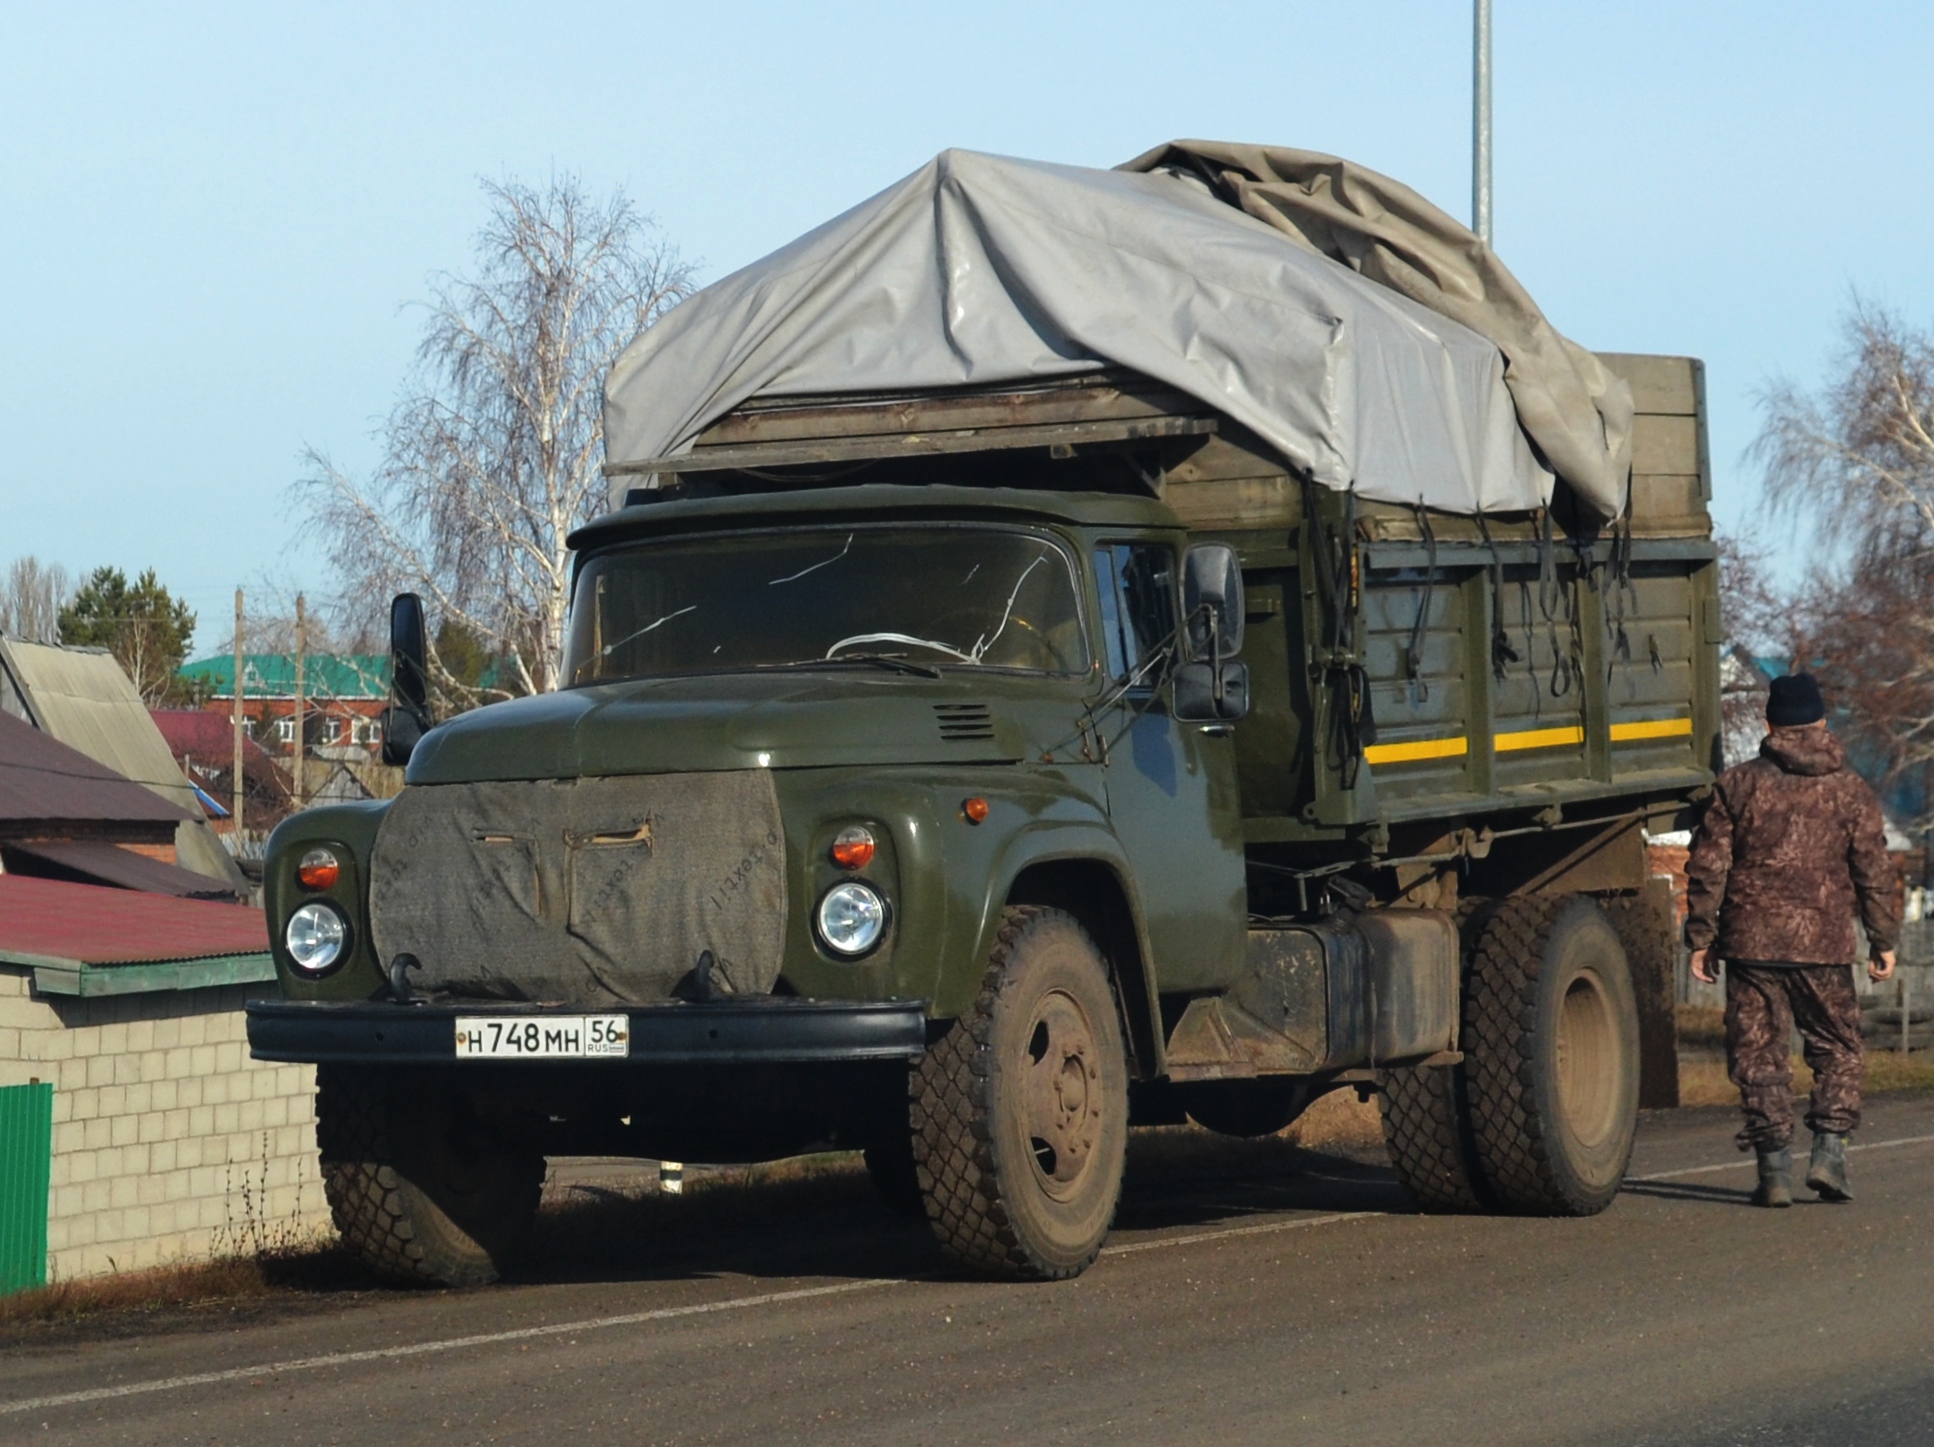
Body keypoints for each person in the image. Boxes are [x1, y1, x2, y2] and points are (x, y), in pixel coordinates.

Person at [1686, 672, 1899, 1207]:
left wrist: (1700, 936)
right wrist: (1883, 939)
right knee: (1838, 1049)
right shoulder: (1851, 789)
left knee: (1758, 1055)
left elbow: (1709, 866)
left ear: (1769, 723)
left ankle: (1773, 1170)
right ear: (1823, 722)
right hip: (1824, 944)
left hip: (1751, 943)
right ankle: (1829, 1153)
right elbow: (1874, 870)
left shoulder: (1736, 785)